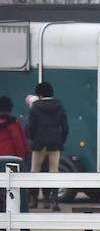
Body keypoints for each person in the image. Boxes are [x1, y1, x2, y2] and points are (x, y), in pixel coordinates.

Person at [26, 82, 69, 211]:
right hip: (55, 143)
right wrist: (60, 140)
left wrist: (33, 139)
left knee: (35, 171)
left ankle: (33, 200)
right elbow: (65, 127)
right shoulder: (59, 106)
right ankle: (54, 202)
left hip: (39, 143)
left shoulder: (35, 107)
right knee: (54, 172)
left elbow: (30, 126)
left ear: (40, 94)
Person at [0, 96, 31, 161]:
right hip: (10, 158)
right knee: (13, 171)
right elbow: (18, 142)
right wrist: (22, 158)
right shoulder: (14, 122)